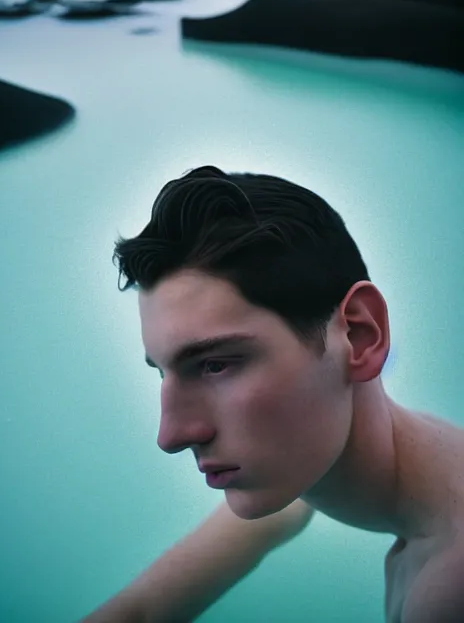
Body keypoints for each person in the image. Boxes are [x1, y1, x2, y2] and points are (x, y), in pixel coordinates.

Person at [81, 165, 464, 623]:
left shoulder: (445, 596)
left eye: (216, 364)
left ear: (361, 337)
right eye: (164, 372)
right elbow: (140, 614)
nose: (172, 435)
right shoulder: (310, 468)